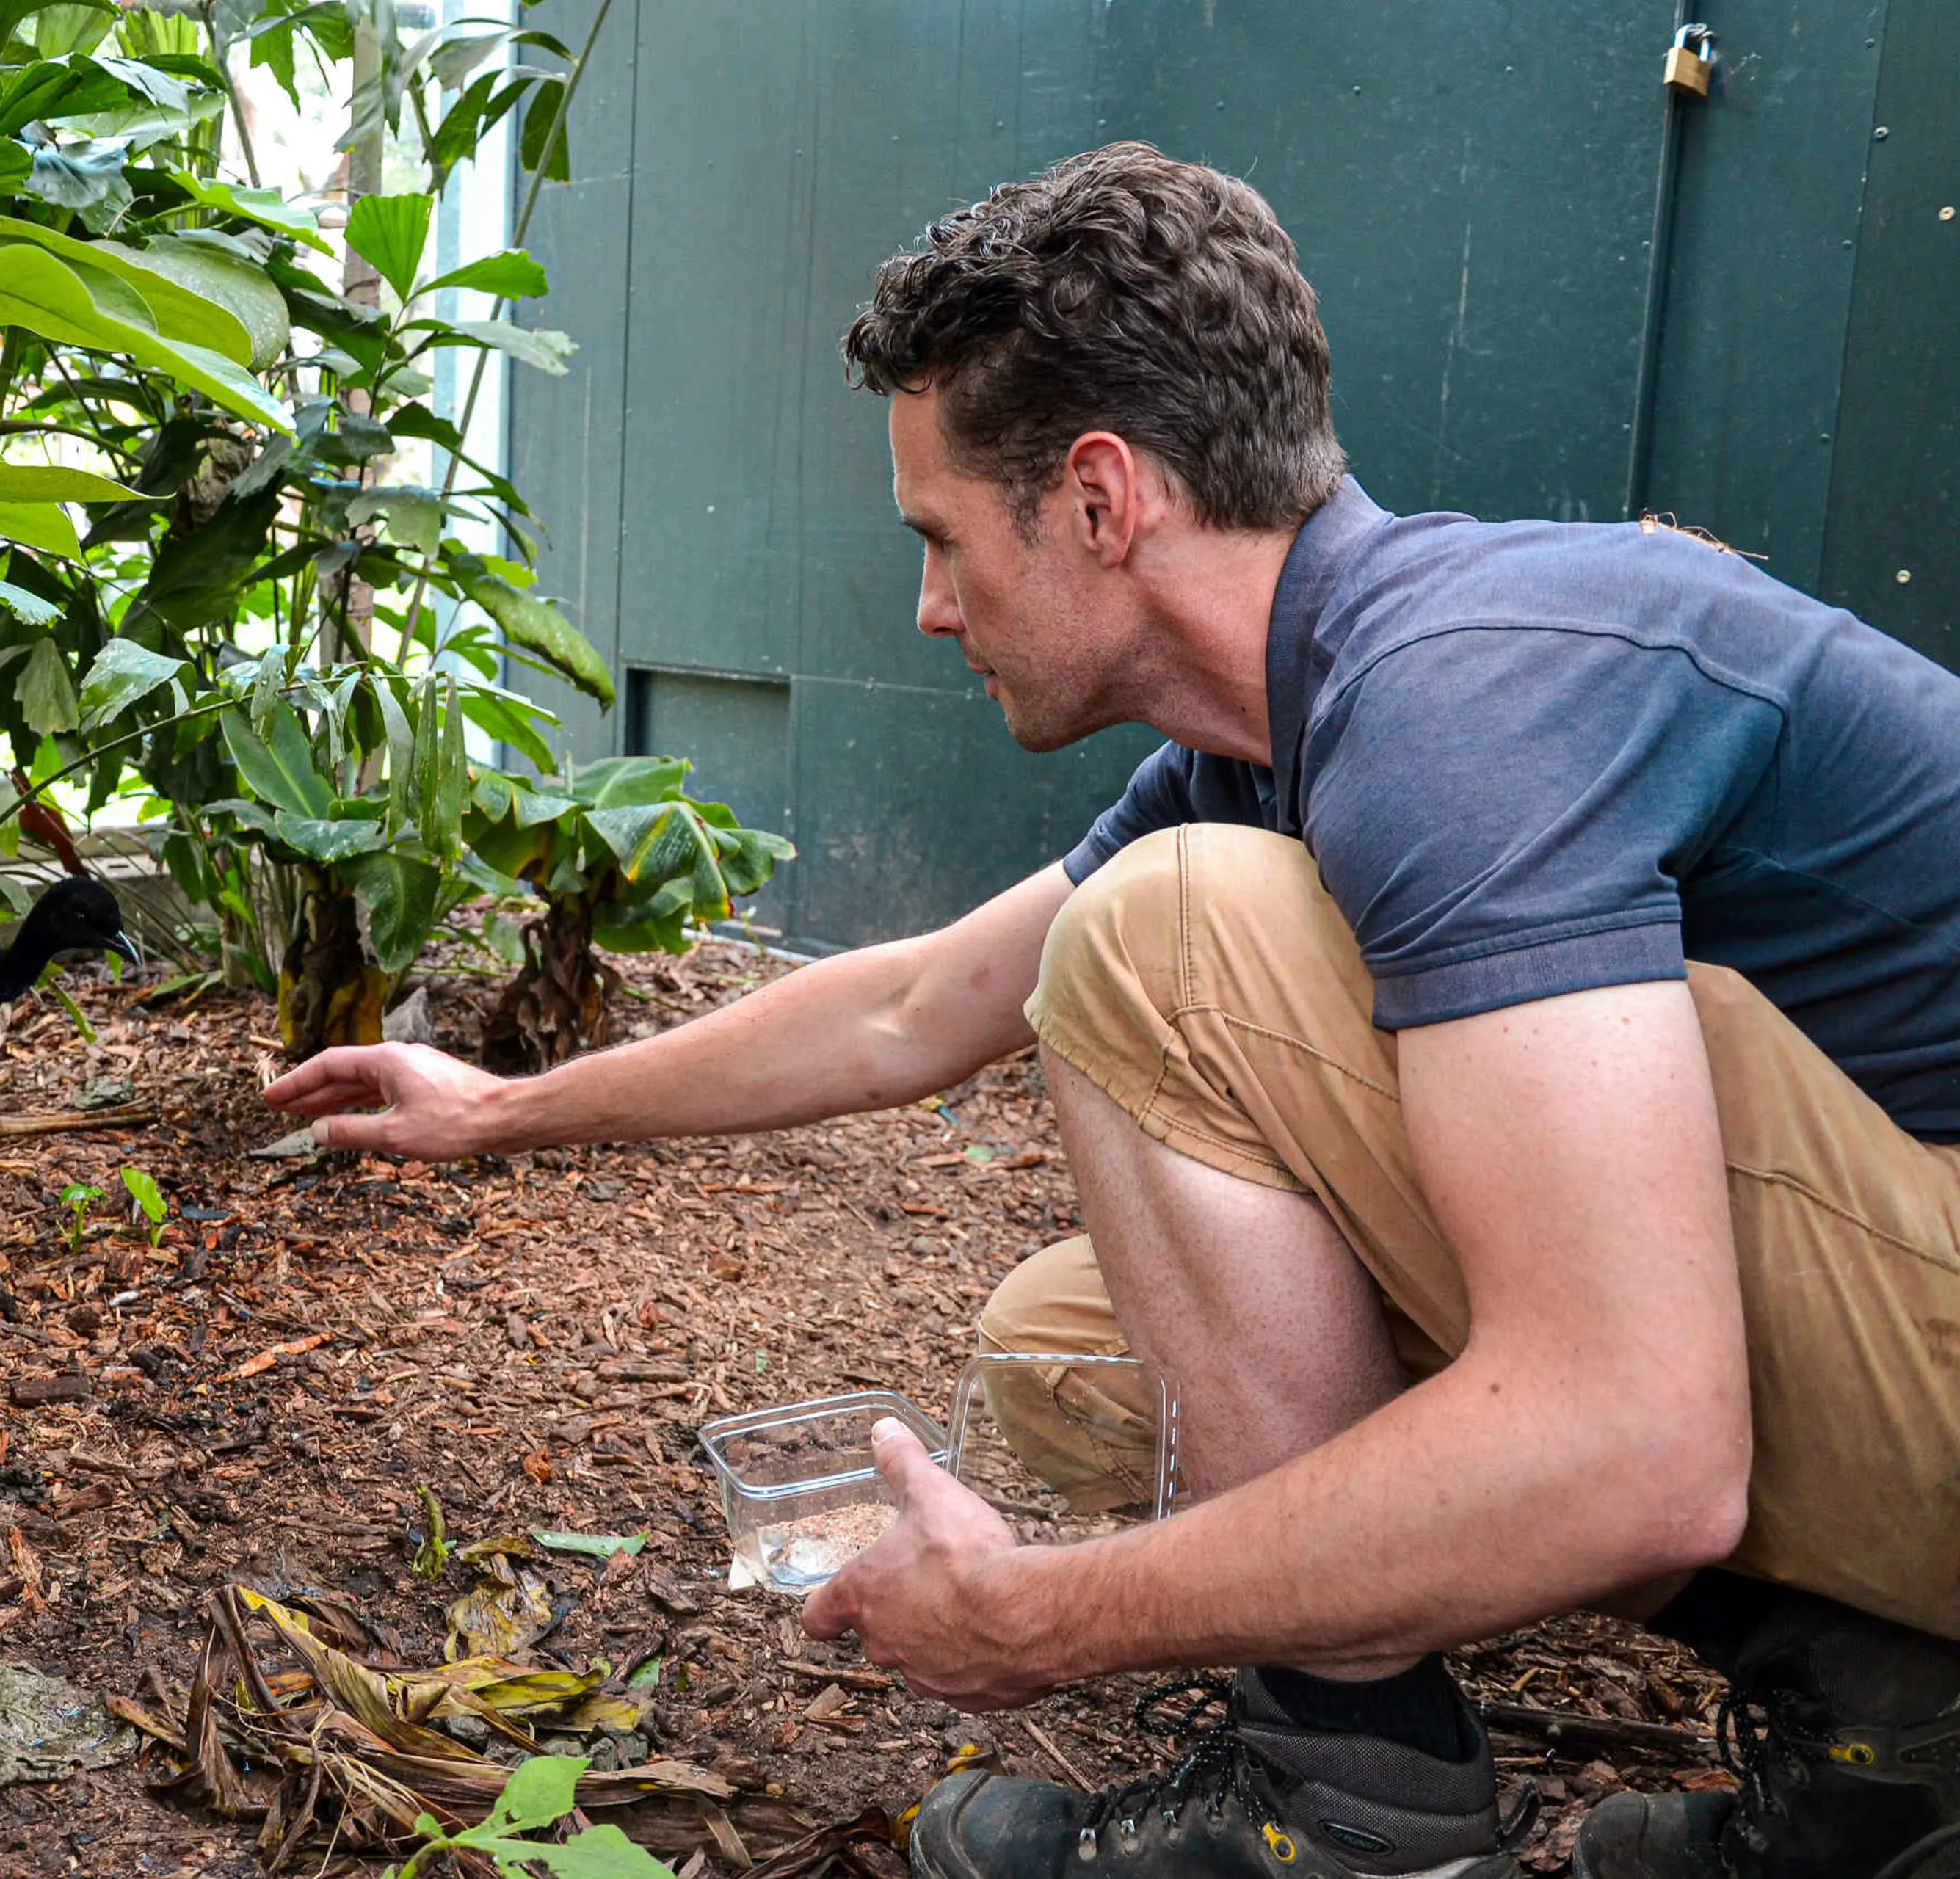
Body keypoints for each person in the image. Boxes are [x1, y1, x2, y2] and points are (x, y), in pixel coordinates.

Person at [263, 143, 1960, 1879]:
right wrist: (496, 1107)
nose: (930, 606)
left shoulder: (1452, 709)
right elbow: (912, 1005)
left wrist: (1039, 1617)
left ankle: (1352, 1794)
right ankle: (1887, 1720)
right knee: (1073, 1350)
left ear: (1097, 499)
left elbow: (1642, 1445)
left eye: (943, 539)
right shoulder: (1290, 718)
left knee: (1155, 943)